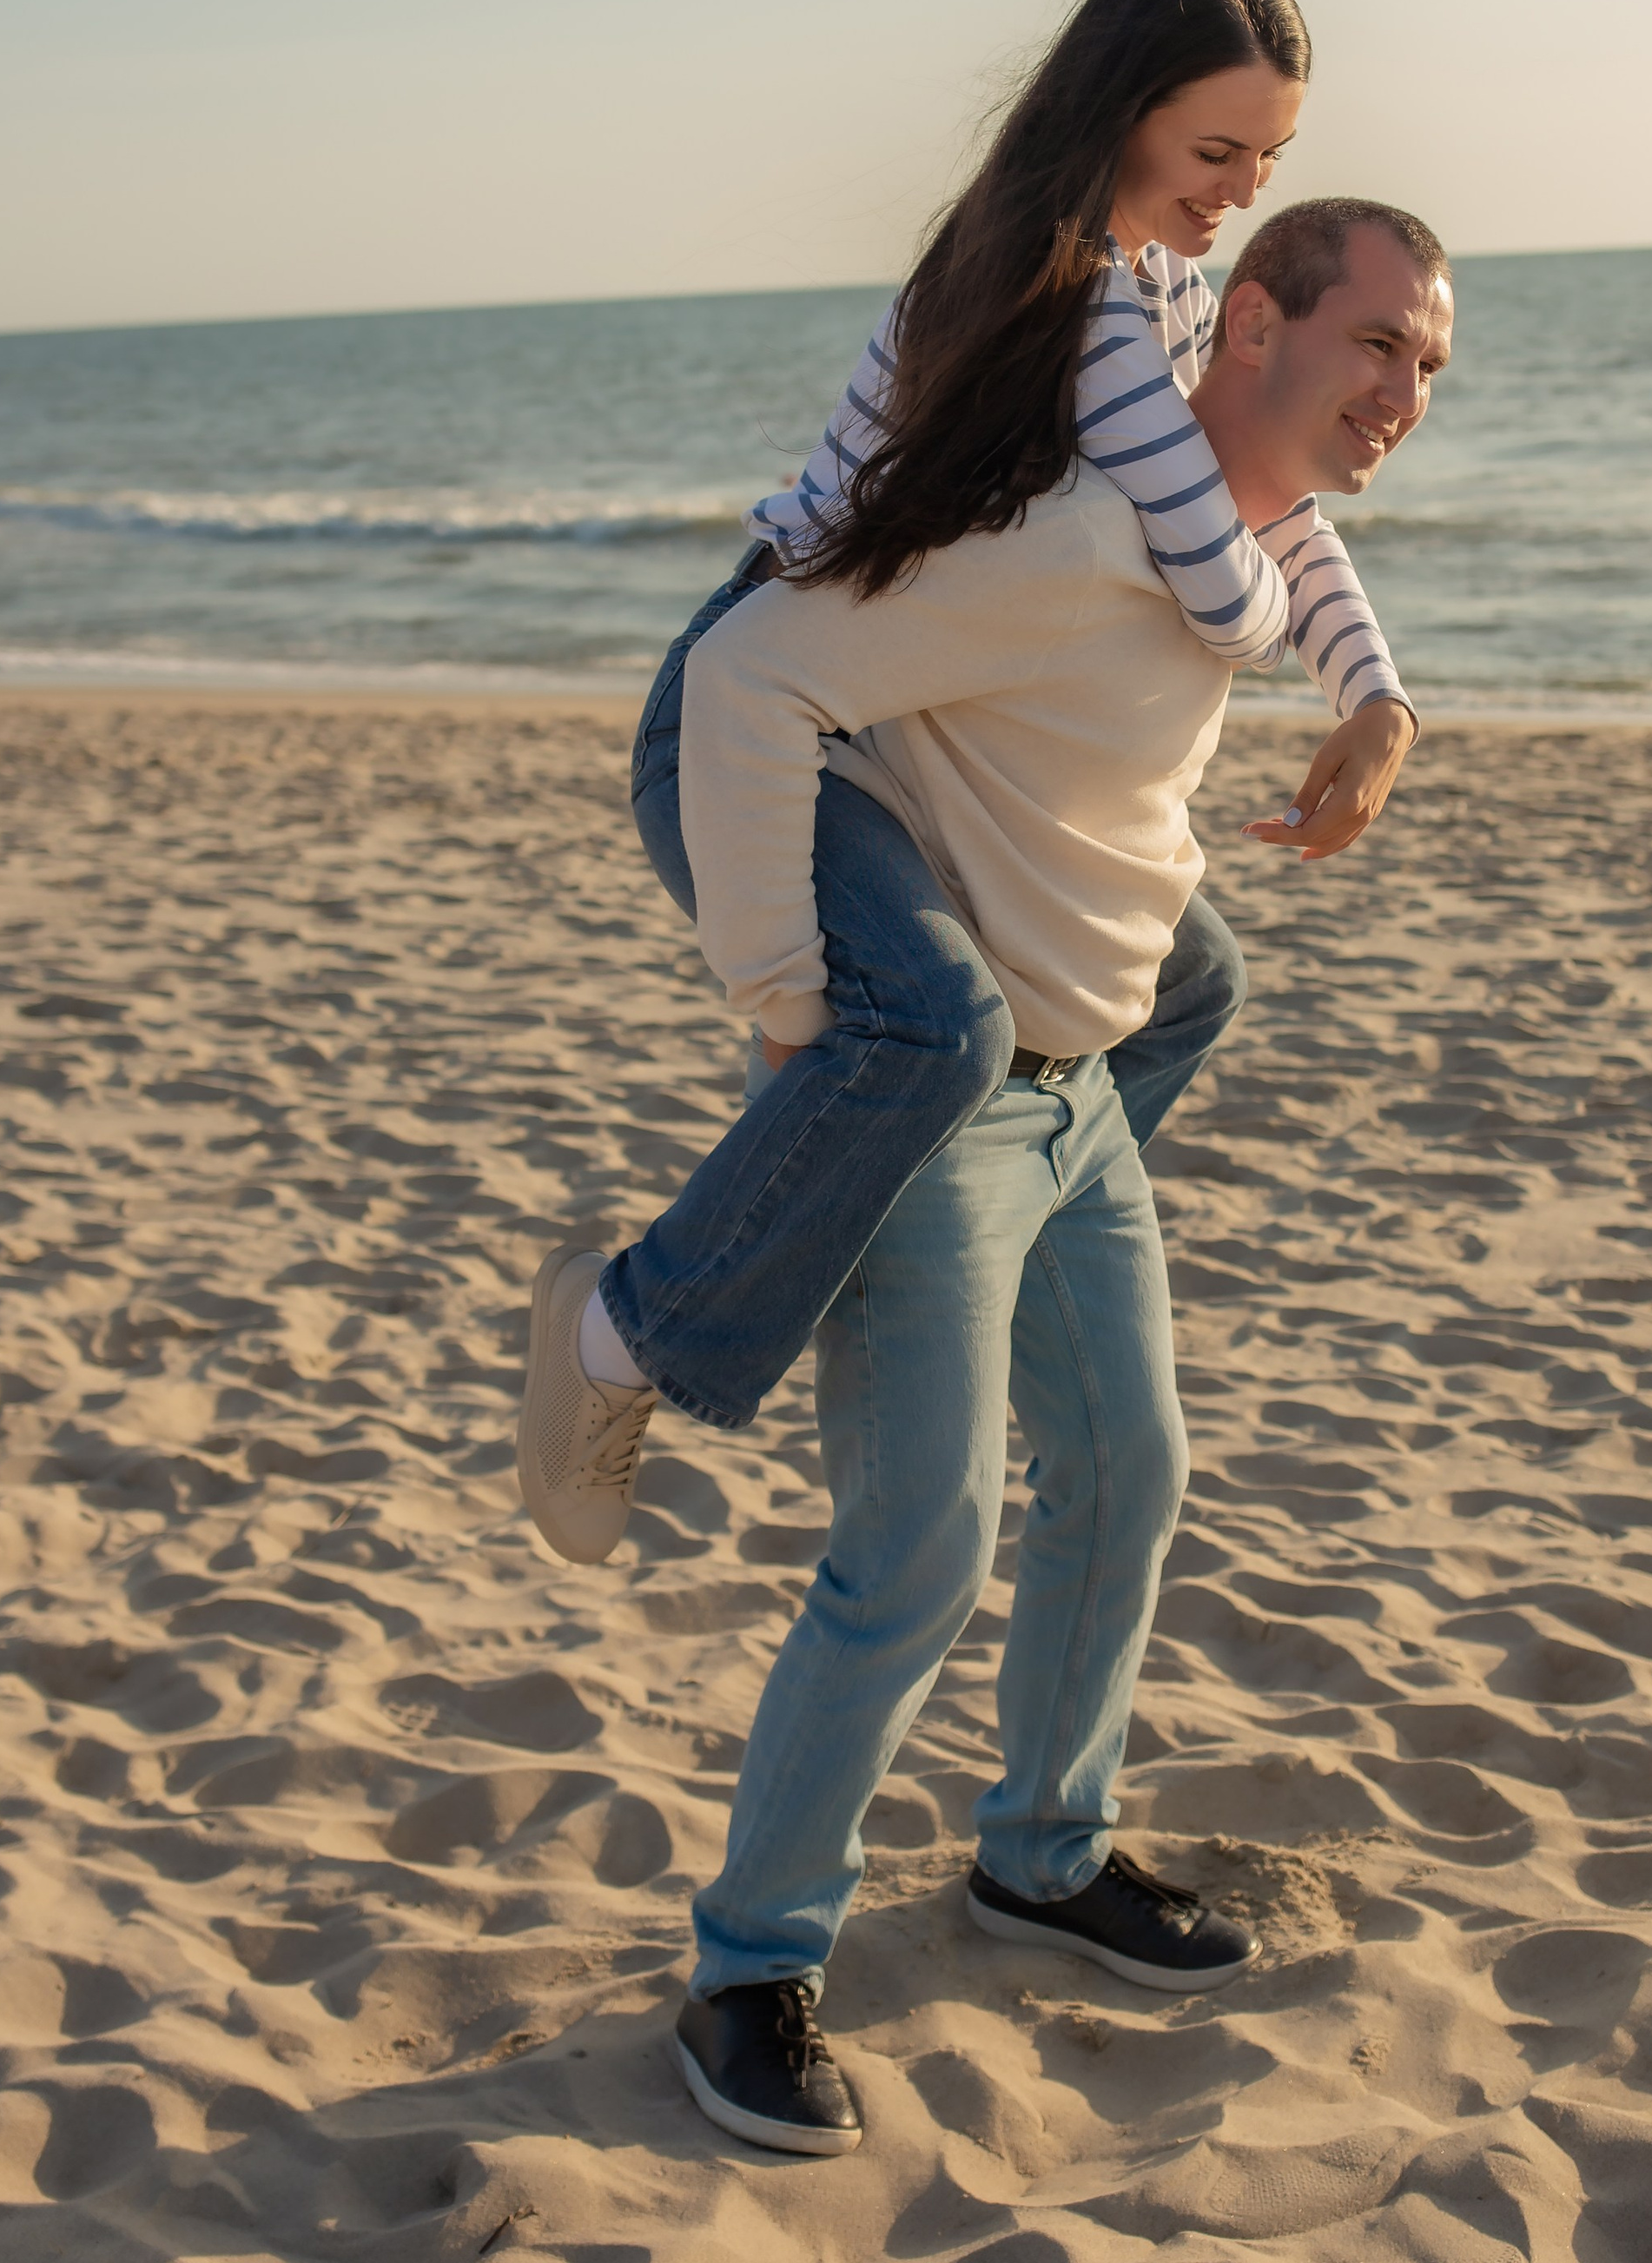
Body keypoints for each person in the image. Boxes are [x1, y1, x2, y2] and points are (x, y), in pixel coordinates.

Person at [518, 196, 1455, 2154]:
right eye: (1377, 344)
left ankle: (1040, 1852)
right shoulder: (1072, 533)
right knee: (918, 1549)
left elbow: (1301, 570)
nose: (1402, 393)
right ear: (1251, 316)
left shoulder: (1243, 541)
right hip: (932, 1103)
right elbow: (752, 674)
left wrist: (1373, 703)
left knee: (1129, 1469)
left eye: (1429, 364)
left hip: (1077, 1095)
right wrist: (787, 1008)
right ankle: (751, 1967)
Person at [517, 0, 1423, 1543]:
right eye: (1214, 151)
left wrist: (1376, 693)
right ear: (1120, 108)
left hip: (896, 688)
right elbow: (1228, 568)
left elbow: (1266, 518)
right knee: (927, 1024)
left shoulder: (1170, 285)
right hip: (767, 686)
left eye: (1266, 162)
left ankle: (980, 1224)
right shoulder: (1067, 290)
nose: (1234, 191)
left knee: (1189, 975)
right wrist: (788, 1009)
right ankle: (621, 1331)